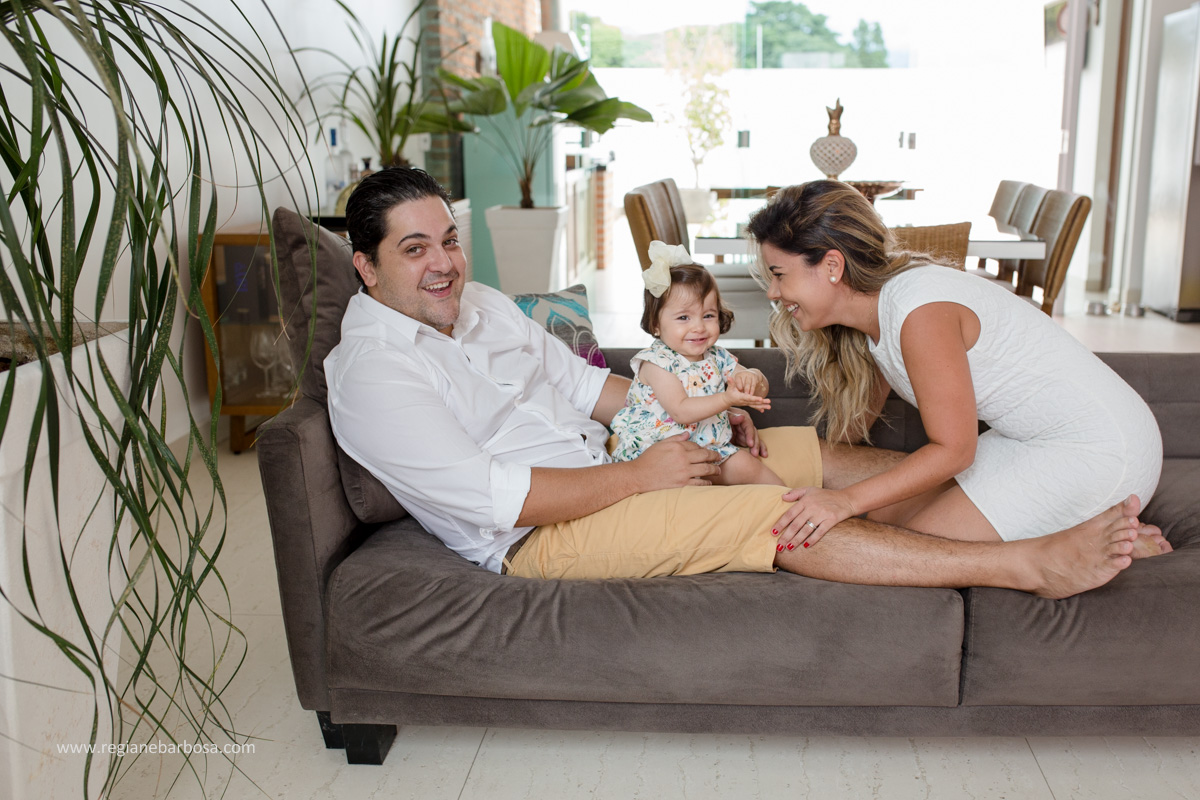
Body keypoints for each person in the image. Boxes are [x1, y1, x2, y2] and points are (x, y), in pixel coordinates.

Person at [324, 166, 1146, 599]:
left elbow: (593, 394)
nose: (443, 264)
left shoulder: (485, 307)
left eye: (448, 240)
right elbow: (490, 495)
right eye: (414, 250)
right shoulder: (373, 372)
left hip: (614, 458)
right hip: (541, 535)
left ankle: (1054, 514)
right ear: (364, 265)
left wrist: (690, 414)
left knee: (803, 455)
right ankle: (1026, 564)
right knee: (775, 513)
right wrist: (641, 472)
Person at [745, 180, 1171, 561]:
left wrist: (843, 502)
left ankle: (1093, 539)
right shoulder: (876, 314)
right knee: (885, 515)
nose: (773, 291)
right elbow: (854, 433)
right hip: (1026, 441)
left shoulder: (920, 313)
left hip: (1099, 450)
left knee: (909, 545)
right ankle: (1077, 525)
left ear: (833, 267)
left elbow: (955, 451)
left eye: (780, 275)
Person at [610, 240, 782, 486]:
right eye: (683, 317)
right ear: (656, 325)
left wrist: (753, 378)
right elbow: (680, 409)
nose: (699, 327)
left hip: (712, 450)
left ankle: (787, 501)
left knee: (749, 467)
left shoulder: (717, 356)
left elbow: (755, 385)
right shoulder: (657, 363)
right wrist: (727, 400)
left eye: (708, 315)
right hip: (660, 458)